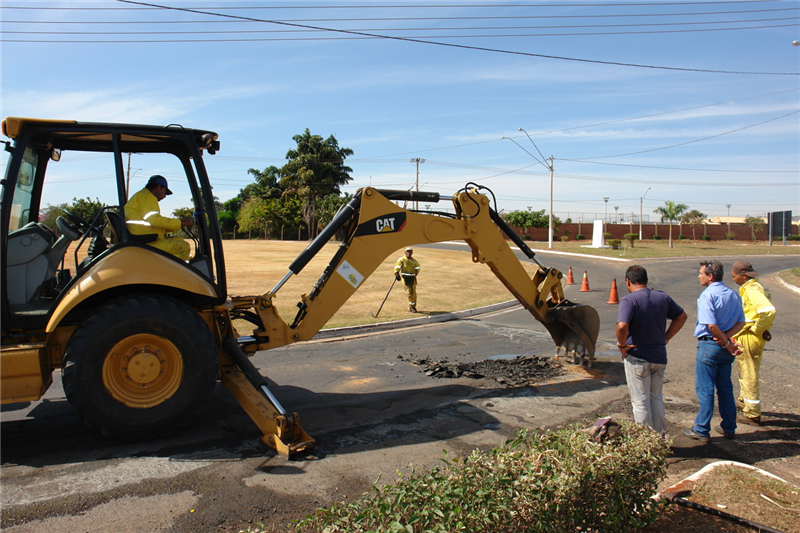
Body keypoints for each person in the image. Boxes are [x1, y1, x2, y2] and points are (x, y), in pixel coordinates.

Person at [616, 265, 687, 434]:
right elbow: (681, 317)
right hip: (659, 357)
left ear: (627, 281)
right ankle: (660, 438)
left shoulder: (629, 300)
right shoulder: (662, 297)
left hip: (638, 358)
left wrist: (622, 345)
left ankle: (644, 442)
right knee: (656, 399)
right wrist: (666, 336)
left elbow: (622, 326)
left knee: (640, 401)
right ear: (646, 281)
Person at [683, 260, 745, 443]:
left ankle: (701, 429)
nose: (698, 276)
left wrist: (724, 340)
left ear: (710, 276)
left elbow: (711, 325)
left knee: (705, 388)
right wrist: (727, 339)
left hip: (710, 345)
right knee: (725, 387)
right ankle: (729, 427)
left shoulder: (707, 295)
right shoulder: (733, 295)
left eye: (701, 273)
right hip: (725, 347)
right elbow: (741, 322)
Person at [730, 260, 776, 426]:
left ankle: (752, 413)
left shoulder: (752, 290)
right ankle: (744, 402)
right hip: (747, 335)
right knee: (744, 371)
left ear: (743, 276)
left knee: (749, 373)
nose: (733, 280)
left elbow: (768, 311)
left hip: (750, 336)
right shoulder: (752, 287)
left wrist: (757, 329)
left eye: (734, 276)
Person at [125, 175, 194, 261]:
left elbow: (151, 223)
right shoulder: (147, 197)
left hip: (144, 238)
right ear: (158, 187)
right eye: (165, 191)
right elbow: (155, 220)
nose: (165, 196)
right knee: (183, 247)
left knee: (179, 240)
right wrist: (181, 222)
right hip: (145, 243)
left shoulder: (142, 196)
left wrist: (175, 226)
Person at [394, 247, 420, 312]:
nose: (409, 253)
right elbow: (397, 266)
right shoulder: (402, 260)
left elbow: (418, 267)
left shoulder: (414, 261)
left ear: (412, 253)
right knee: (410, 291)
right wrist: (396, 273)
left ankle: (412, 307)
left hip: (412, 279)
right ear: (405, 252)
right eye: (407, 251)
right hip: (405, 279)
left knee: (413, 293)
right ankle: (411, 306)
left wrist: (416, 273)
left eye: (410, 251)